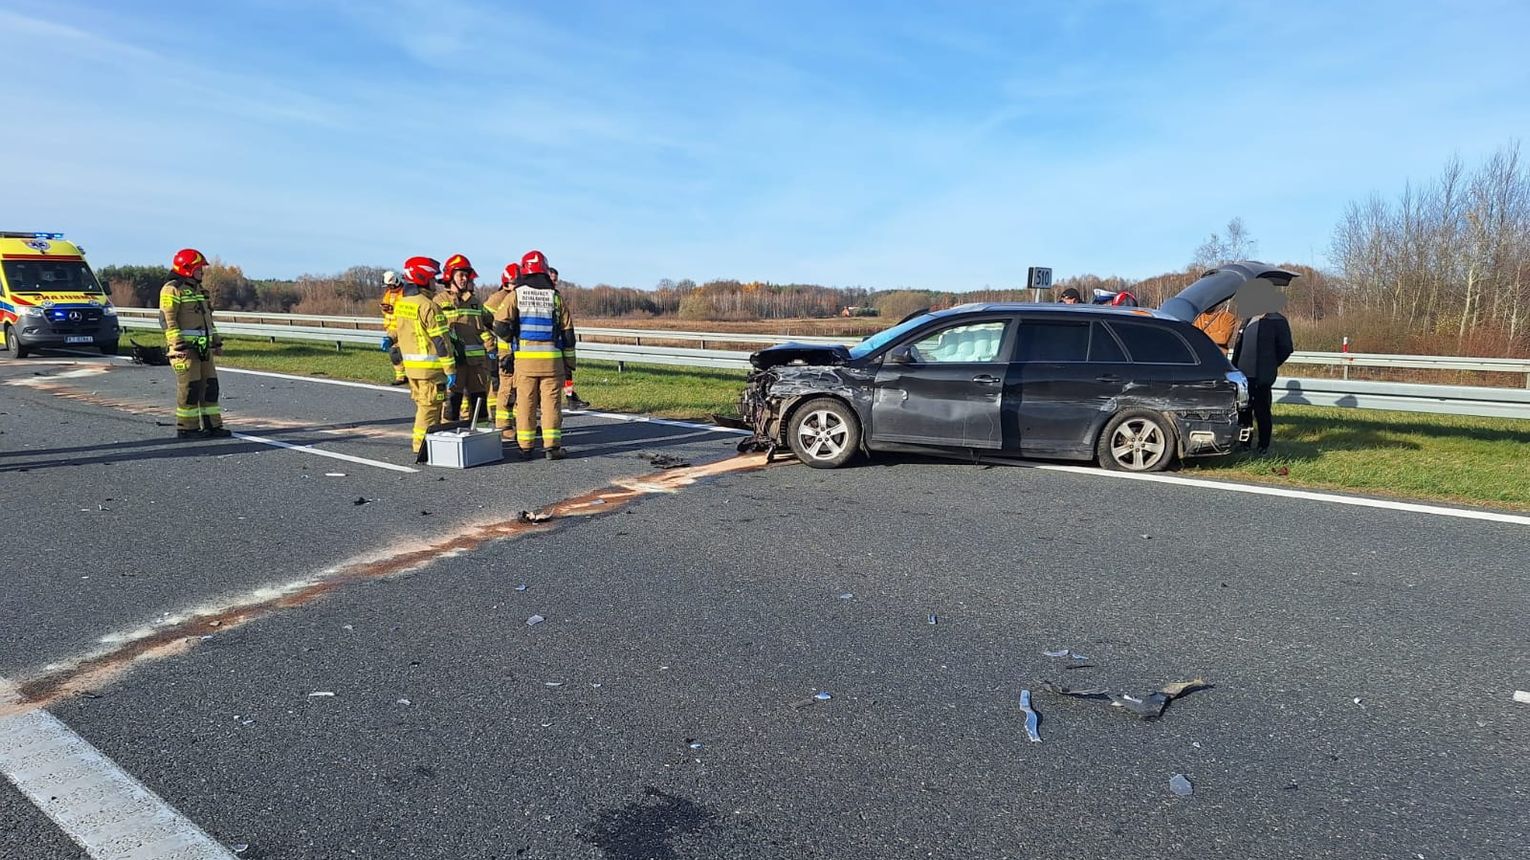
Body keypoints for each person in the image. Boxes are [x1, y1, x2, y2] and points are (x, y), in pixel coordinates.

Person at [495, 250, 576, 460]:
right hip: (552, 362)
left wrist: (513, 339)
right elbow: (568, 335)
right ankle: (552, 447)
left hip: (525, 362)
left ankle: (525, 447)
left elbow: (499, 325)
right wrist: (570, 363)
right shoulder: (555, 297)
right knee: (551, 404)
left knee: (525, 403)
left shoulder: (516, 295)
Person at [160, 249, 230, 439]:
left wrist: (216, 342)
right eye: (199, 268)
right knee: (190, 389)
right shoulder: (172, 289)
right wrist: (176, 342)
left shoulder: (199, 290)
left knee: (210, 387)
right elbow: (167, 318)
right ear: (187, 268)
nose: (202, 272)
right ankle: (187, 428)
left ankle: (213, 425)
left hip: (203, 348)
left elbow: (208, 321)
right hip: (185, 351)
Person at [394, 256, 457, 459]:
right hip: (430, 369)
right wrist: (450, 369)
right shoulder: (428, 306)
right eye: (431, 279)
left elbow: (398, 331)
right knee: (430, 409)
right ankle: (421, 447)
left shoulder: (403, 303)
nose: (434, 283)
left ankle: (428, 445)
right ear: (423, 279)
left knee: (423, 406)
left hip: (412, 368)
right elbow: (441, 341)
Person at [1230, 280, 1294, 455]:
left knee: (1262, 411)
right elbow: (1239, 346)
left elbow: (1286, 348)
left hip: (1262, 376)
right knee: (1244, 411)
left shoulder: (1277, 320)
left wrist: (1271, 363)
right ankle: (1244, 444)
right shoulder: (1248, 319)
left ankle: (1263, 446)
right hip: (1243, 375)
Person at [437, 254, 494, 424]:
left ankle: (481, 434)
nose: (464, 279)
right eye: (460, 275)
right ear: (450, 276)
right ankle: (448, 435)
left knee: (480, 403)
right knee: (452, 405)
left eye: (466, 275)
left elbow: (489, 323)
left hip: (476, 364)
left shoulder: (475, 302)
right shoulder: (438, 302)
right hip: (454, 363)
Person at [483, 263, 520, 440]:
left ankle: (520, 423)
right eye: (514, 283)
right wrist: (491, 342)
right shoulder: (497, 298)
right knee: (506, 388)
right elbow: (483, 321)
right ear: (506, 282)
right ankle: (504, 425)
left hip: (518, 351)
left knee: (518, 389)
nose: (517, 286)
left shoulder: (518, 296)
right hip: (504, 351)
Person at [549, 266, 589, 410]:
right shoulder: (540, 296)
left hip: (558, 339)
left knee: (567, 370)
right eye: (552, 280)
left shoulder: (557, 296)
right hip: (545, 341)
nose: (555, 283)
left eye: (556, 280)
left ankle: (570, 397)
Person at [379, 270, 407, 384]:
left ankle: (409, 375)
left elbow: (407, 310)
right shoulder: (388, 293)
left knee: (405, 353)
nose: (390, 287)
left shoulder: (405, 293)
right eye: (388, 286)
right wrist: (385, 308)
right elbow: (385, 308)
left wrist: (394, 309)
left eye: (391, 285)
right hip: (391, 329)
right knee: (394, 353)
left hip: (403, 328)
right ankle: (400, 376)